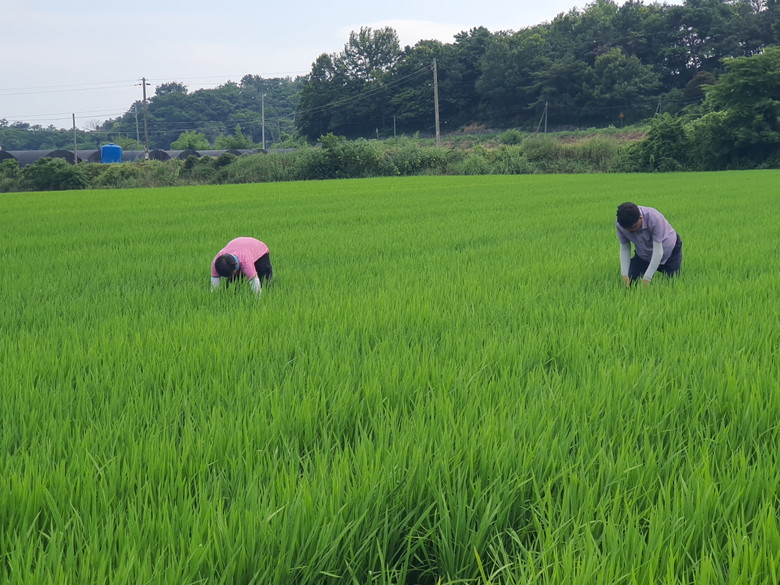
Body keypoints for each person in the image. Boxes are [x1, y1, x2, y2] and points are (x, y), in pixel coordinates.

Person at [615, 202, 682, 286]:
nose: (633, 231)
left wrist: (647, 278)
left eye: (634, 227)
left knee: (672, 283)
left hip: (669, 251)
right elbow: (625, 249)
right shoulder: (620, 224)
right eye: (628, 230)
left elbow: (658, 251)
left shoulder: (654, 218)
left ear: (641, 218)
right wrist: (624, 274)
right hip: (644, 254)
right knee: (632, 282)